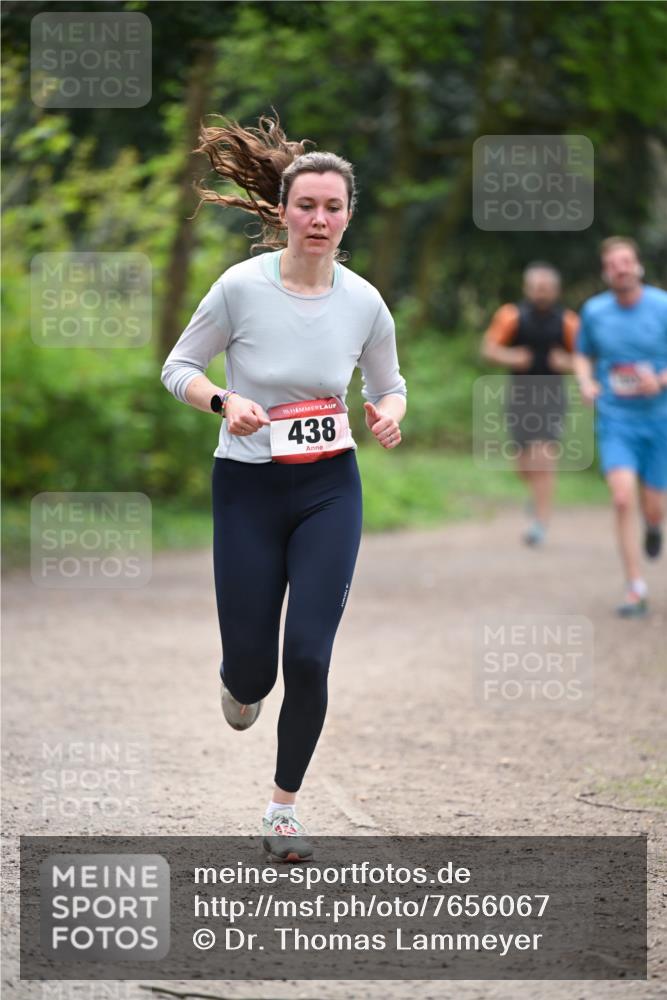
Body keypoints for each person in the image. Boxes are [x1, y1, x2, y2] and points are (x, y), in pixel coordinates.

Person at [160, 113, 407, 861]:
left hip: (329, 489)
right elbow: (178, 367)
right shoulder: (240, 289)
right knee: (252, 673)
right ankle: (239, 681)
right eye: (307, 206)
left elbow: (390, 385)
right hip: (246, 488)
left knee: (308, 656)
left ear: (348, 216)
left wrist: (387, 414)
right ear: (283, 211)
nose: (319, 219)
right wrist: (222, 401)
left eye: (333, 207)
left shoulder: (364, 302)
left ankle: (283, 809)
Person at [573, 236, 667, 618]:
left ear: (638, 265)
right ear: (605, 272)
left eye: (626, 261)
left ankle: (654, 525)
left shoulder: (662, 305)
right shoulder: (594, 311)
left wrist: (659, 380)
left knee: (654, 506)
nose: (621, 269)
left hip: (659, 420)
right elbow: (582, 354)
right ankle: (635, 586)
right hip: (616, 420)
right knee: (622, 497)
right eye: (613, 264)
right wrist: (586, 382)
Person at [481, 263, 579, 546]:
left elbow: (586, 360)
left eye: (546, 289)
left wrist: (567, 363)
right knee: (524, 466)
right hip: (520, 397)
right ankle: (537, 493)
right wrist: (512, 357)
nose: (541, 293)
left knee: (544, 459)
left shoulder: (568, 321)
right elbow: (488, 349)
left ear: (556, 291)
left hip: (552, 397)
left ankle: (540, 524)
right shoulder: (511, 315)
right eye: (536, 288)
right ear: (527, 289)